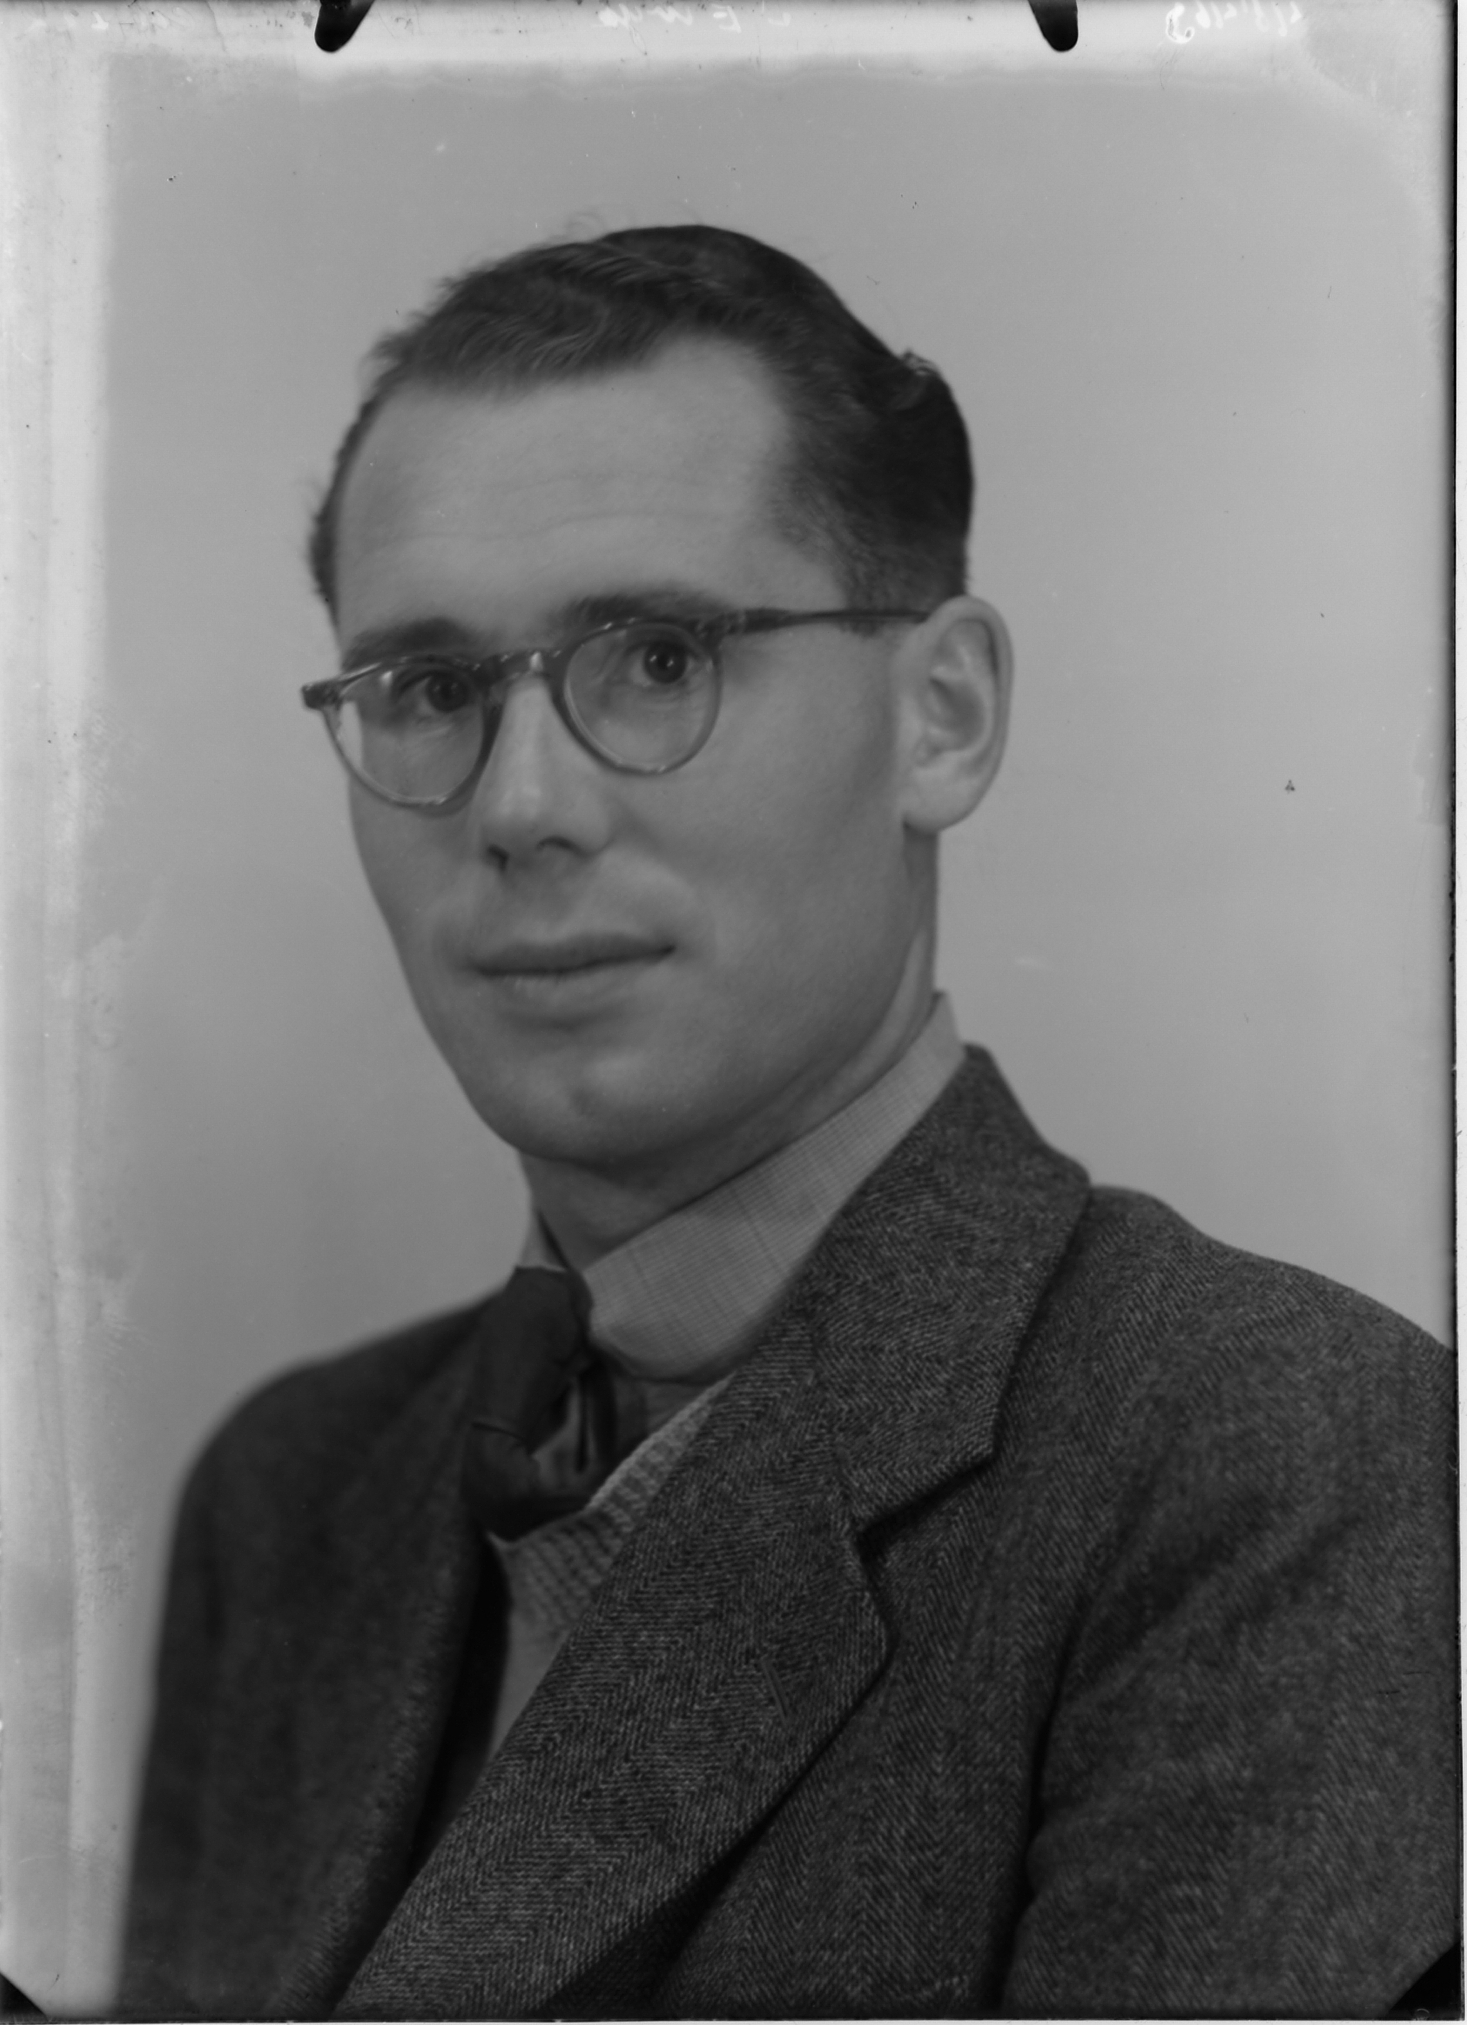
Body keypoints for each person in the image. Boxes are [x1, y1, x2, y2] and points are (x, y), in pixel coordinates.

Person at [118, 226, 1457, 2021]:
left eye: (658, 658)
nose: (521, 806)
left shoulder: (1281, 1463)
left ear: (942, 718)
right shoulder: (288, 1496)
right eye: (430, 691)